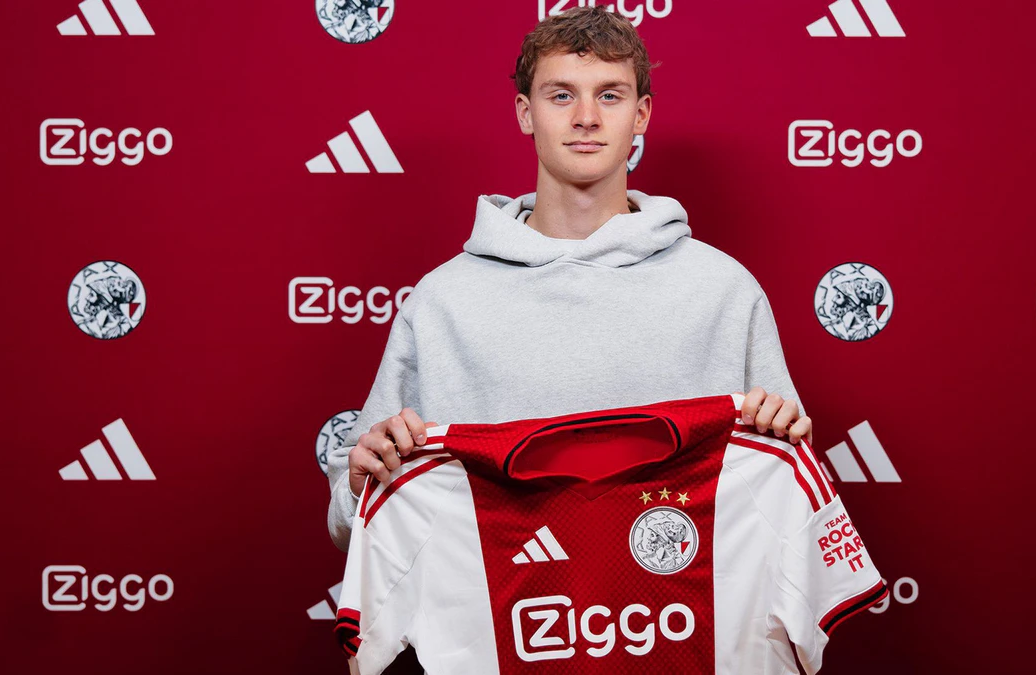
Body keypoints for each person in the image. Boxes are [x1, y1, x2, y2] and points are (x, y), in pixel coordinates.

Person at [327, 6, 813, 553]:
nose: (586, 117)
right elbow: (351, 519)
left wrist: (789, 448)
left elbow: (787, 501)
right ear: (525, 113)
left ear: (641, 114)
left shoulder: (723, 290)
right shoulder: (443, 301)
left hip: (677, 598)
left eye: (610, 95)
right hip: (493, 604)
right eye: (561, 95)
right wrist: (359, 483)